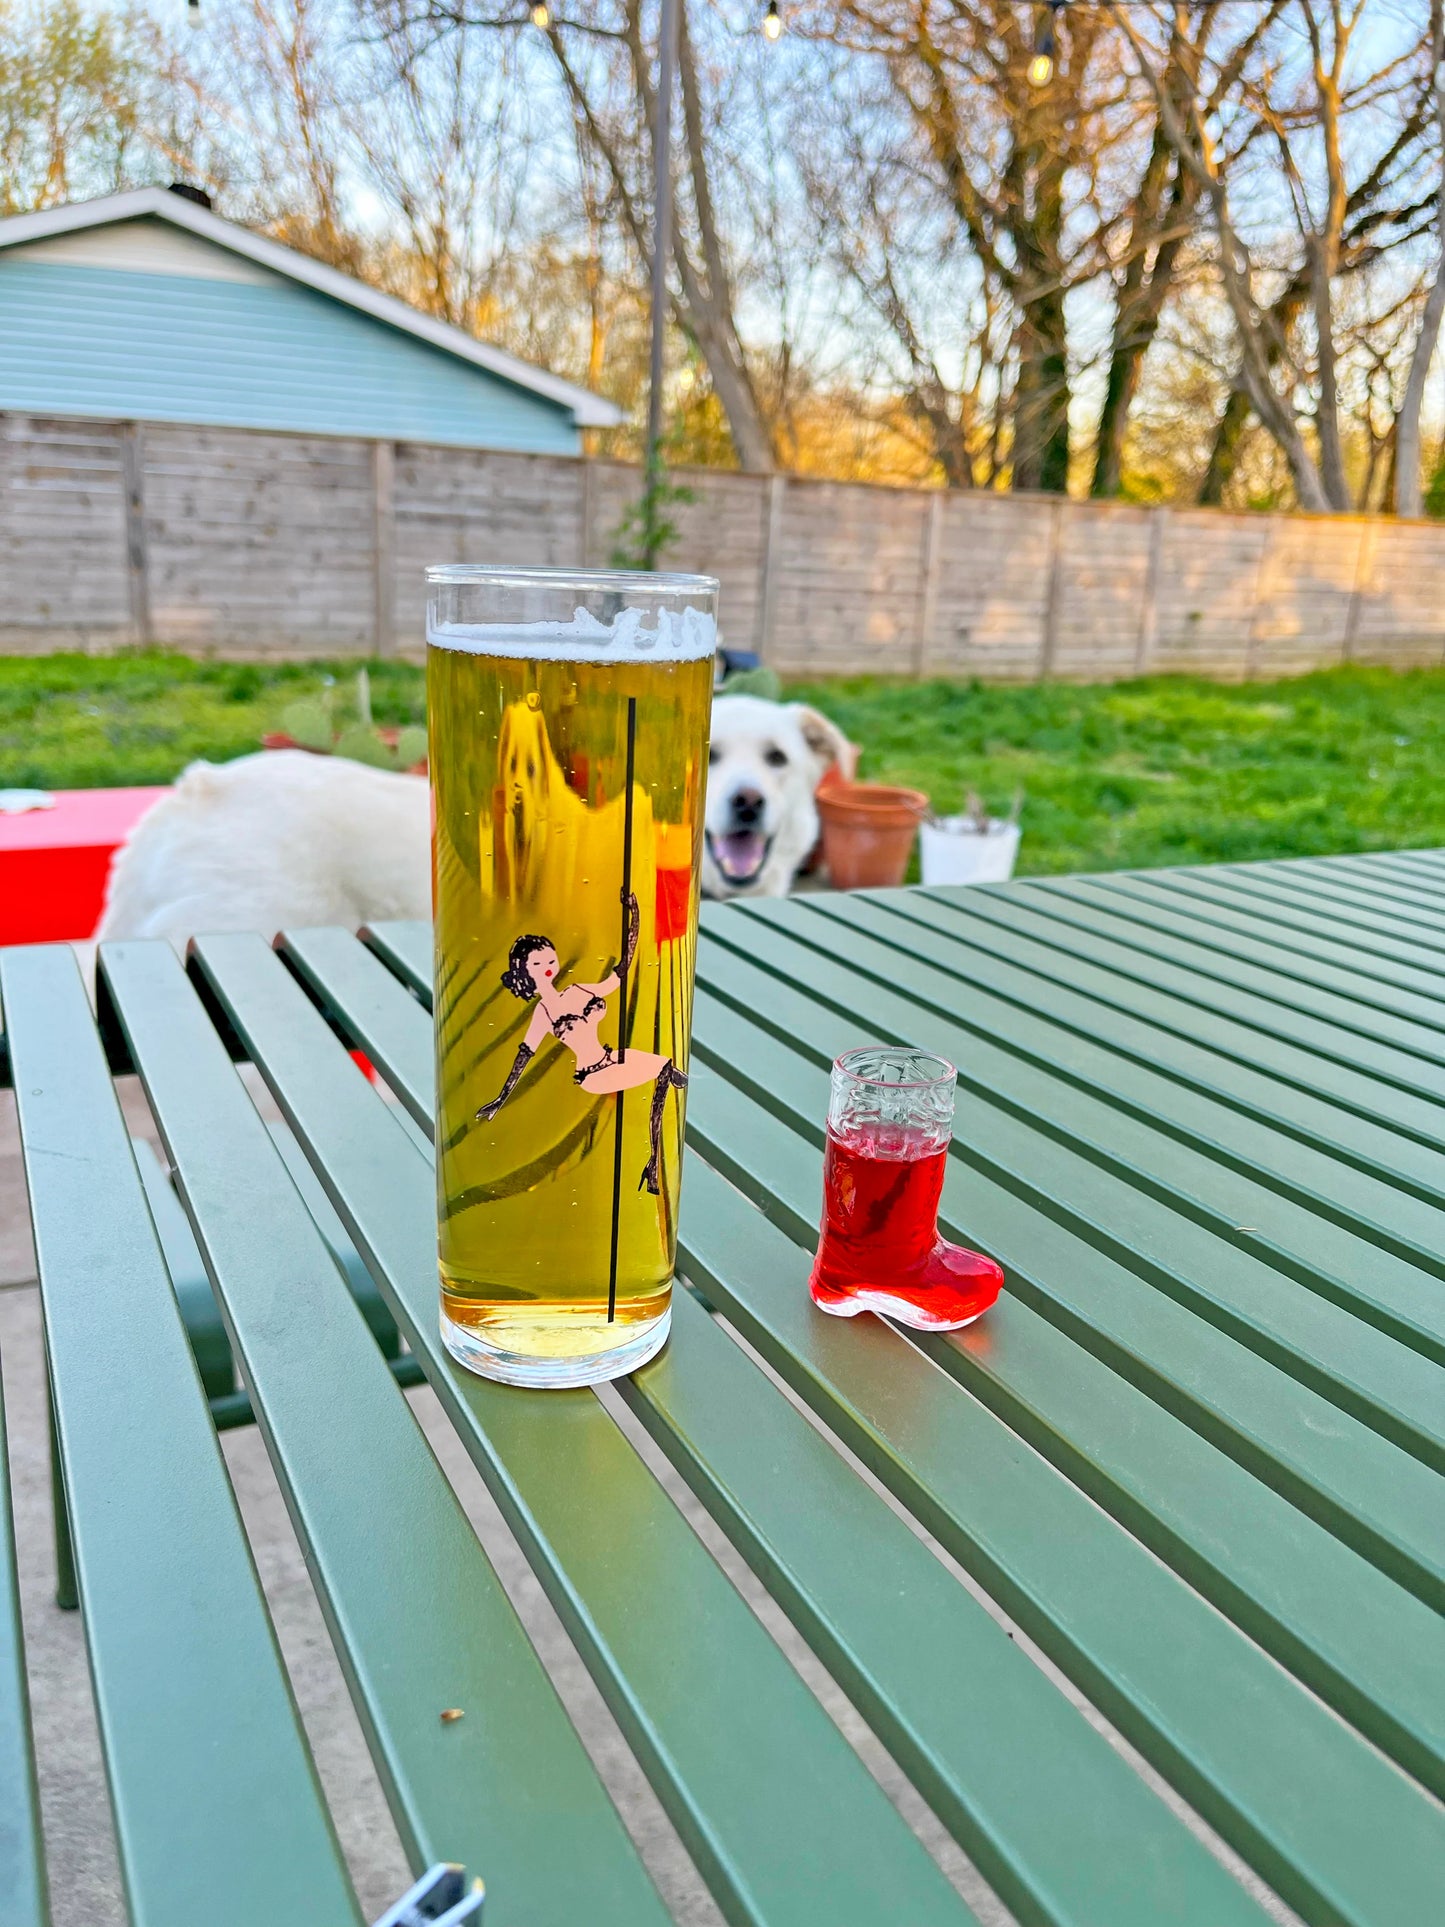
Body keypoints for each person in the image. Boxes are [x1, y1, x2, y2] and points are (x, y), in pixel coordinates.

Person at [477, 891, 687, 1195]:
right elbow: (524, 1057)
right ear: (525, 972)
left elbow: (623, 970)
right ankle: (653, 1166)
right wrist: (501, 1098)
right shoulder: (544, 1013)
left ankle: (654, 1164)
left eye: (550, 959)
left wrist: (635, 914)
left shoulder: (578, 991)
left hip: (613, 1057)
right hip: (593, 1074)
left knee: (669, 1070)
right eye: (538, 964)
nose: (548, 966)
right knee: (667, 1073)